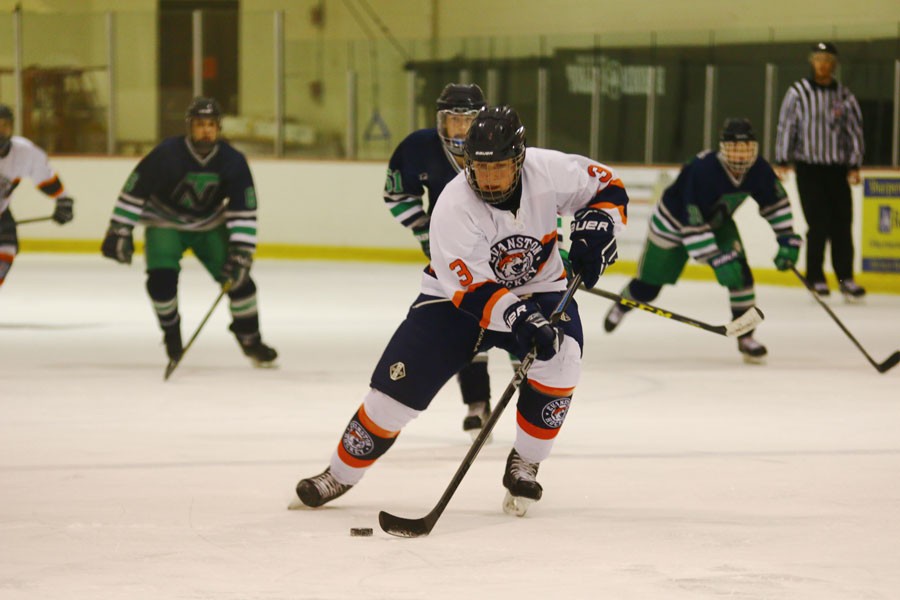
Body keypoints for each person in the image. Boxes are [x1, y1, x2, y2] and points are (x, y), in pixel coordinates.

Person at [289, 106, 628, 515]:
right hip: (454, 301)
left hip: (540, 287)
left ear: (519, 160)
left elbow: (608, 189)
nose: (487, 179)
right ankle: (339, 474)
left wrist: (598, 228)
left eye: (499, 168)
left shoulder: (549, 170)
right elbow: (470, 289)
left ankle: (525, 462)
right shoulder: (453, 205)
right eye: (478, 169)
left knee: (562, 360)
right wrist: (519, 317)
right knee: (392, 397)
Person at [603, 118, 801, 364]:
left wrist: (787, 238)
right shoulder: (702, 170)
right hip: (673, 223)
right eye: (735, 148)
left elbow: (775, 203)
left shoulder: (759, 169)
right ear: (723, 148)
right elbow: (691, 222)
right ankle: (623, 304)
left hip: (718, 223)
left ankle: (746, 337)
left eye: (746, 148)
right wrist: (716, 259)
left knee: (741, 275)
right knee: (648, 288)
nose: (741, 156)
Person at [100, 97, 277, 367]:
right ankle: (172, 334)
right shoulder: (167, 153)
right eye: (199, 124)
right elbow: (135, 188)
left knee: (241, 283)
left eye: (210, 124)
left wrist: (242, 250)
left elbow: (243, 208)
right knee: (161, 282)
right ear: (189, 127)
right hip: (164, 222)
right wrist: (119, 229)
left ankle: (250, 339)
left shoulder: (233, 161)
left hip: (209, 225)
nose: (205, 130)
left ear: (218, 127)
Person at [383, 82, 498, 439]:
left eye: (468, 121)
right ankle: (478, 404)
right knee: (468, 322)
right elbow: (396, 193)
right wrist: (424, 232)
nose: (461, 130)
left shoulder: (501, 145)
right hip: (454, 255)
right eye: (453, 121)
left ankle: (527, 400)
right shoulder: (420, 147)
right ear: (440, 121)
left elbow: (538, 192)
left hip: (503, 250)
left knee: (521, 321)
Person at [775, 41, 865, 301]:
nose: (823, 64)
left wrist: (854, 165)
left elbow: (854, 131)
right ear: (811, 62)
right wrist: (782, 159)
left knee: (842, 224)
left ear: (834, 64)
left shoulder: (844, 96)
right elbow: (786, 125)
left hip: (836, 170)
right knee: (818, 224)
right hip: (809, 168)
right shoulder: (798, 92)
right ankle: (815, 278)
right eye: (818, 59)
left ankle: (845, 278)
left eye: (827, 59)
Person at [0, 104, 74, 289]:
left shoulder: (23, 152)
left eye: (5, 125)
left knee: (5, 253)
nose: (1, 131)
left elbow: (45, 178)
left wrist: (63, 200)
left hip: (2, 217)